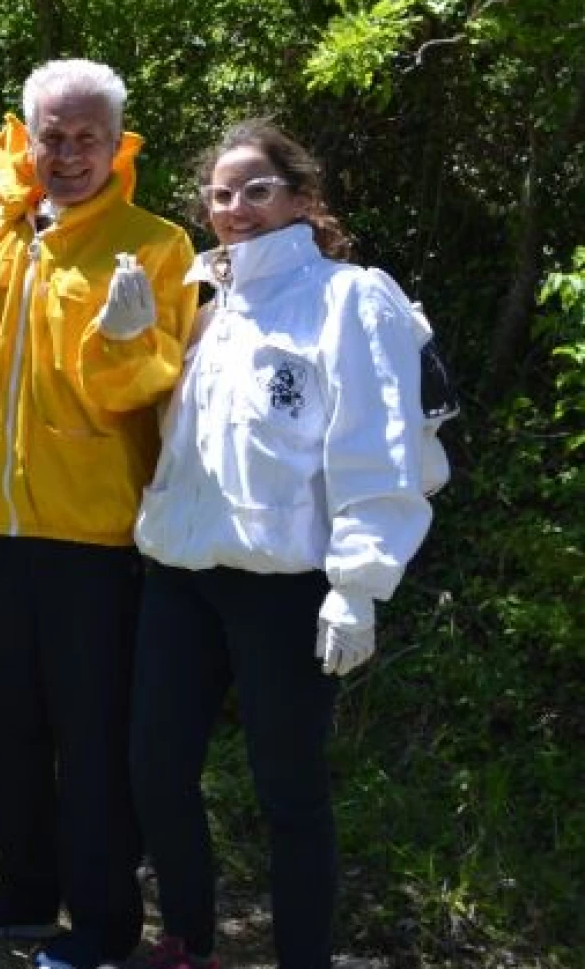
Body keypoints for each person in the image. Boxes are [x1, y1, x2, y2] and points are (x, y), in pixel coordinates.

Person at [0, 59, 197, 969]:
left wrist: (135, 340)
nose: (67, 154)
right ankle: (23, 896)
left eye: (85, 138)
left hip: (97, 542)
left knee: (94, 743)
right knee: (4, 725)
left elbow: (165, 396)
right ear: (26, 141)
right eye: (51, 138)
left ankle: (102, 927)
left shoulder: (156, 245)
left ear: (117, 144)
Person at [127, 121, 440, 969]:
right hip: (179, 576)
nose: (235, 209)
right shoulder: (205, 302)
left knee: (289, 792)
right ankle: (187, 939)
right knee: (154, 766)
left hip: (286, 587)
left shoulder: (350, 297)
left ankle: (304, 958)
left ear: (303, 198)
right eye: (220, 194)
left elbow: (375, 445)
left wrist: (360, 583)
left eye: (256, 190)